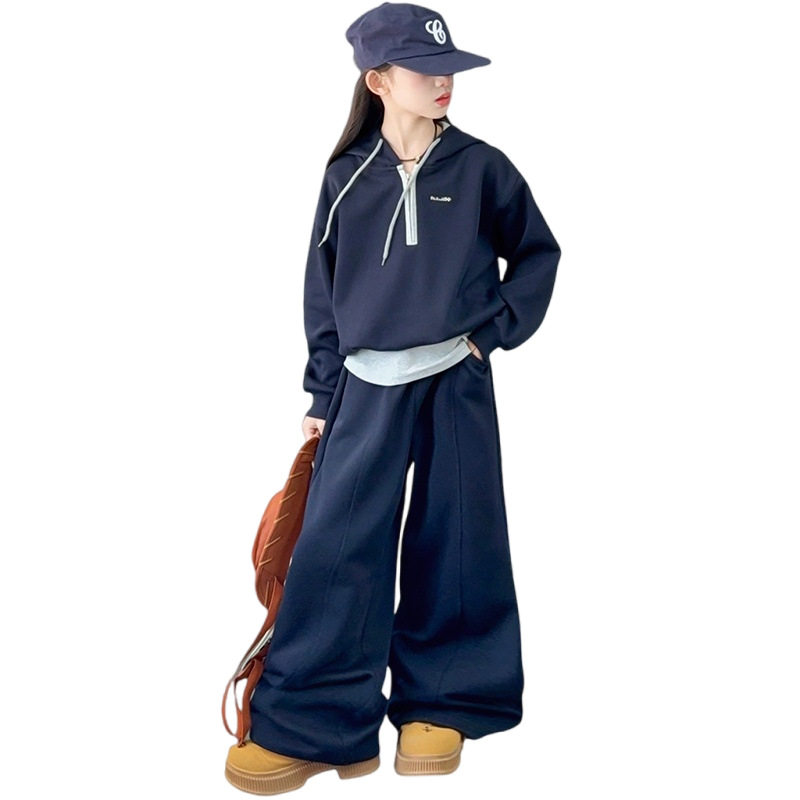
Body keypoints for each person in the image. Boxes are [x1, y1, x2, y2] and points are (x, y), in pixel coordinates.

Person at [225, 2, 561, 793]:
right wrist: (323, 389)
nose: (444, 82)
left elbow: (538, 255)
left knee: (460, 539)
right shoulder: (345, 178)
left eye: (449, 69)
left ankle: (443, 703)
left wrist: (489, 336)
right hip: (364, 387)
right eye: (424, 69)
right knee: (337, 549)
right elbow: (322, 290)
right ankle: (314, 721)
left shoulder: (483, 169)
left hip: (455, 379)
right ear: (378, 81)